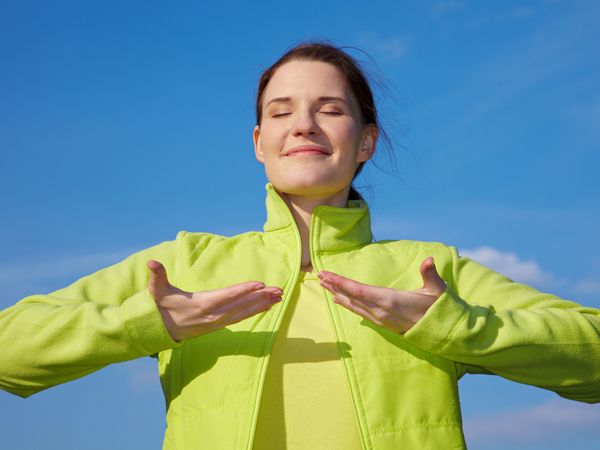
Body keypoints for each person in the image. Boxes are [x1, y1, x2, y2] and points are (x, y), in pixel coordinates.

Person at [1, 41, 599, 450]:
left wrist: (455, 325)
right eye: (281, 111)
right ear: (259, 142)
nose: (304, 125)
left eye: (330, 109)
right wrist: (147, 323)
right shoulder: (184, 263)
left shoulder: (428, 271)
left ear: (365, 142)